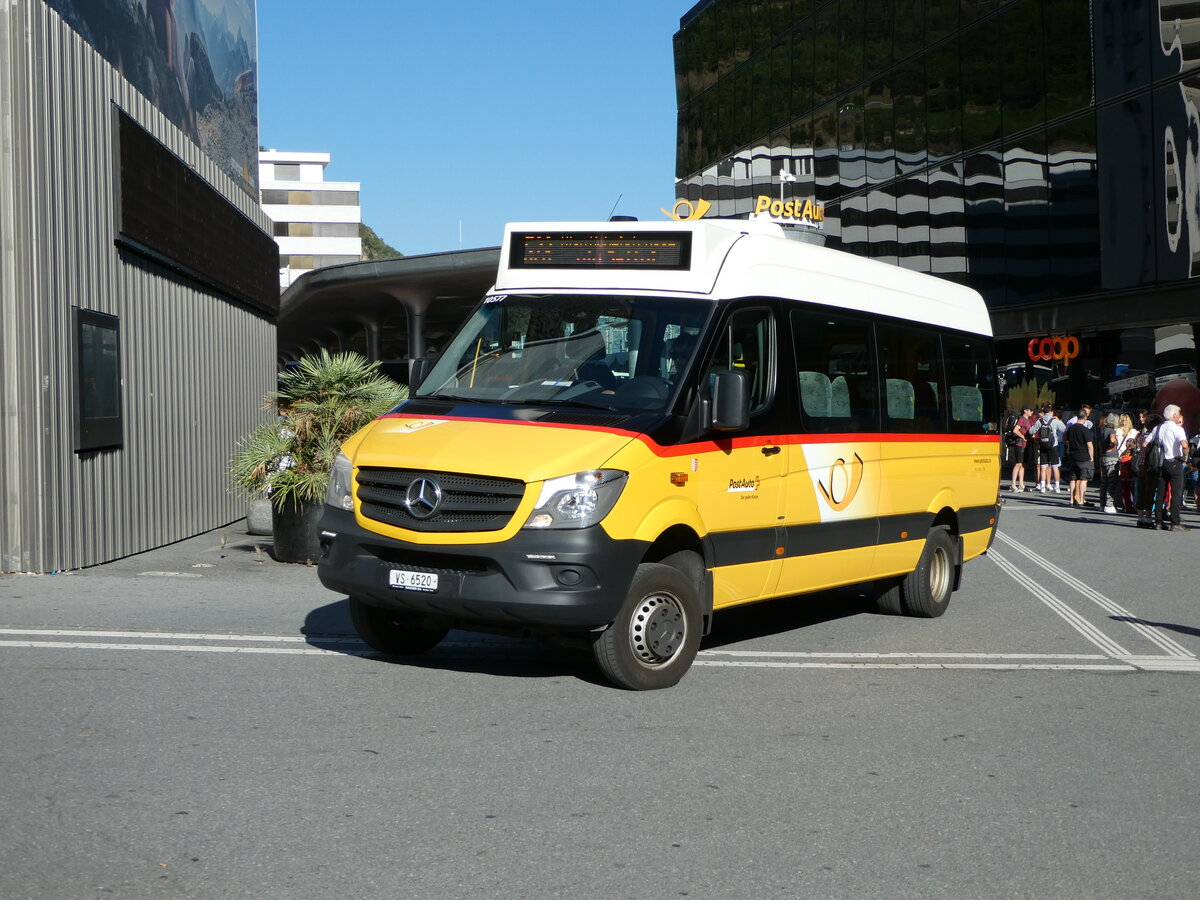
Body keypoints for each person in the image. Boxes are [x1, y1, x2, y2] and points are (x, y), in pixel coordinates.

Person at [1153, 403, 1191, 531]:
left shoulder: (1159, 428)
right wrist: (1185, 456)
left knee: (1160, 492)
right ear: (1174, 415)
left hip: (1161, 462)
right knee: (1176, 493)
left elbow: (1146, 443)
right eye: (1179, 414)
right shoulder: (1177, 429)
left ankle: (1158, 521)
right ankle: (1175, 522)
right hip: (1175, 461)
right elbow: (1184, 445)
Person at [1135, 411, 1164, 528]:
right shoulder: (1153, 437)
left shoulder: (1142, 436)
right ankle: (1148, 516)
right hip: (1151, 465)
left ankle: (1140, 516)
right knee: (1150, 491)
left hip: (1141, 465)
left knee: (1141, 490)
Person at [1064, 408, 1094, 508]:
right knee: (1083, 479)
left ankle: (1072, 500)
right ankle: (1081, 500)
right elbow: (1089, 445)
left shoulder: (1071, 428)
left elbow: (1066, 438)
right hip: (1083, 456)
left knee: (1073, 478)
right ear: (1085, 417)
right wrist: (1092, 457)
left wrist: (1068, 447)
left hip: (1073, 455)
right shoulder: (1085, 430)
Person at [1029, 404, 1058, 493]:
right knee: (1048, 465)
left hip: (1044, 444)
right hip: (1046, 444)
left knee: (1045, 465)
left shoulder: (1042, 420)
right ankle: (1046, 484)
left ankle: (1045, 485)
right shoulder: (1052, 420)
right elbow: (1064, 429)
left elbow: (1031, 431)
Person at [1115, 412, 1139, 513]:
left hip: (1121, 457)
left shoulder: (1116, 431)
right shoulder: (1134, 431)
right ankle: (1134, 504)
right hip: (1132, 458)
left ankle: (1125, 504)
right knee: (1133, 485)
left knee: (1123, 485)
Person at [1097, 412, 1121, 513]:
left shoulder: (1102, 430)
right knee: (1112, 482)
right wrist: (1114, 444)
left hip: (1103, 456)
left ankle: (1102, 504)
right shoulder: (1112, 431)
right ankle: (1109, 504)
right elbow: (1112, 440)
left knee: (1104, 482)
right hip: (1112, 457)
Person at [1010, 404, 1036, 492]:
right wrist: (1023, 437)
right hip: (1020, 444)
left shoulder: (1027, 420)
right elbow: (1015, 430)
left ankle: (1021, 484)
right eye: (1030, 410)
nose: (1032, 412)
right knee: (1018, 464)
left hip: (1025, 444)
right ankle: (1013, 485)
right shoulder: (1022, 419)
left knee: (1023, 465)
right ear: (1025, 411)